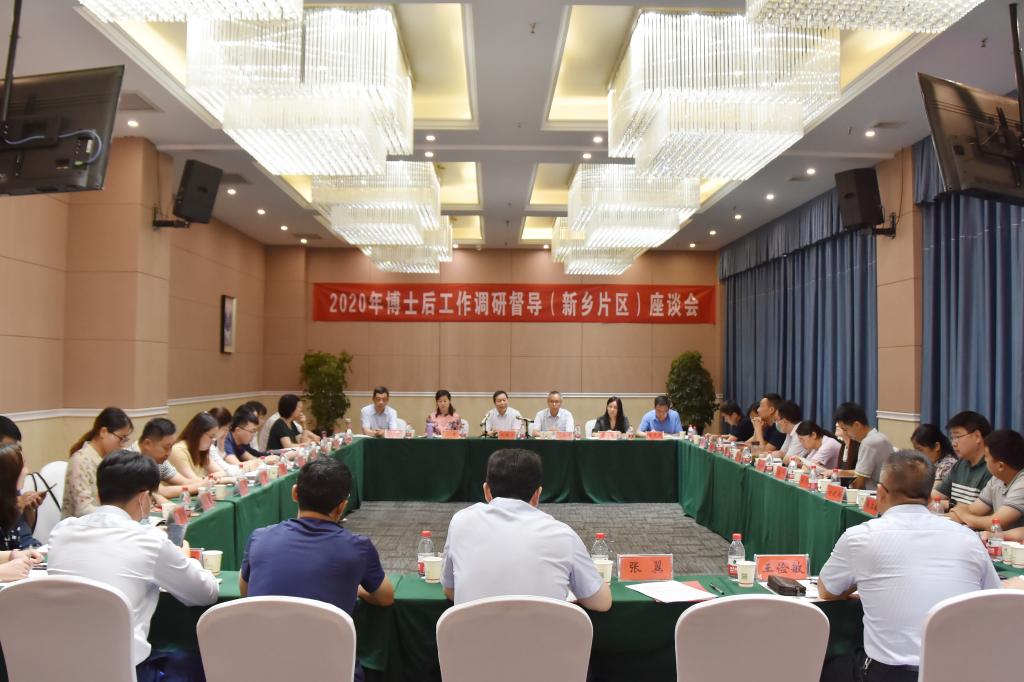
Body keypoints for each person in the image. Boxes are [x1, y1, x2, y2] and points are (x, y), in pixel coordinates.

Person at [818, 450, 999, 681]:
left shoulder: (860, 537)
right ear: (930, 497)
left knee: (825, 666)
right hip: (959, 671)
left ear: (880, 492)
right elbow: (992, 598)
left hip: (890, 674)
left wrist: (859, 583)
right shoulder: (968, 538)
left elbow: (827, 590)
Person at [48, 451, 219, 682]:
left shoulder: (61, 531)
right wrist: (184, 556)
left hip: (57, 668)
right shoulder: (149, 540)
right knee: (201, 661)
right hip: (125, 672)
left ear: (99, 492)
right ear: (144, 498)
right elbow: (205, 593)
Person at [240, 458, 393, 682]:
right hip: (331, 672)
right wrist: (356, 589)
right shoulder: (358, 547)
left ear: (294, 493)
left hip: (260, 670)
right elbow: (385, 597)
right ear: (342, 506)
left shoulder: (259, 537)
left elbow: (246, 592)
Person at [440, 448, 611, 611]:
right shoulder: (563, 535)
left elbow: (450, 590)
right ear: (537, 495)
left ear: (486, 491)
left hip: (473, 633)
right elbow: (601, 603)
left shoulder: (460, 522)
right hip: (544, 633)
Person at [946, 429, 1024, 532]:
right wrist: (943, 518)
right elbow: (973, 510)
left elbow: (995, 524)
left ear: (1000, 466)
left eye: (986, 456)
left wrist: (965, 516)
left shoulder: (1021, 484)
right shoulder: (997, 479)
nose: (984, 460)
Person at [63, 407, 134, 518]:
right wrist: (117, 514)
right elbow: (83, 510)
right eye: (121, 438)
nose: (122, 444)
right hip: (81, 525)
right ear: (103, 432)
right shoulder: (80, 460)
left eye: (125, 439)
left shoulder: (110, 460)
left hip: (105, 521)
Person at [933, 411, 993, 511]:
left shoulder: (991, 467)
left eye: (957, 437)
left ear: (977, 436)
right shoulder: (960, 465)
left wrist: (949, 504)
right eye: (952, 438)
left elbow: (979, 511)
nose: (953, 443)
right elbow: (935, 497)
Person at [0, 416, 45, 545]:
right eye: (9, 448)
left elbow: (24, 531)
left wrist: (27, 508)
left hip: (27, 546)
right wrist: (16, 505)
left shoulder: (11, 483)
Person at [0, 443, 45, 569]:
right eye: (23, 465)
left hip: (21, 564)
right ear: (10, 473)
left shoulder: (12, 498)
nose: (27, 471)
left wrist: (27, 509)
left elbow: (24, 537)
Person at [135, 418, 202, 500]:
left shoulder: (158, 459)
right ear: (147, 443)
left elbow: (183, 481)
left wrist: (209, 481)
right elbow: (162, 491)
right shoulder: (133, 461)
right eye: (166, 447)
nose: (169, 453)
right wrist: (202, 486)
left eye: (171, 447)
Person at [833, 402, 894, 490]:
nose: (846, 433)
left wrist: (845, 491)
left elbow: (859, 482)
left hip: (875, 493)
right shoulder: (879, 436)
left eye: (845, 429)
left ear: (857, 425)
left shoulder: (869, 443)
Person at [168, 412, 226, 481]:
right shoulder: (178, 450)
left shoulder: (201, 450)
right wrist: (211, 479)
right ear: (198, 433)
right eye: (211, 436)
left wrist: (208, 479)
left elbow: (222, 473)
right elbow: (194, 481)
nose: (213, 441)